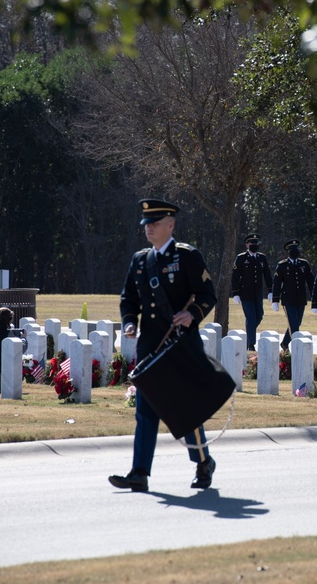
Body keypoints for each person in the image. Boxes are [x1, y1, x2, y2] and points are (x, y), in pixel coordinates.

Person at [109, 198, 219, 493]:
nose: (149, 229)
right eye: (147, 224)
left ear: (171, 225)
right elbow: (128, 298)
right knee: (145, 410)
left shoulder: (188, 257)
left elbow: (208, 295)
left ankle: (203, 462)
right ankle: (139, 472)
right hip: (150, 348)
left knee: (186, 410)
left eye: (155, 224)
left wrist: (191, 314)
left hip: (180, 346)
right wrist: (130, 321)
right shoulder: (140, 260)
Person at [231, 233, 272, 351]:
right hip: (245, 294)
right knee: (251, 318)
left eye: (256, 243)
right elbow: (235, 276)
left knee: (259, 316)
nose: (254, 245)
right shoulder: (241, 258)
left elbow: (267, 275)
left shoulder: (262, 258)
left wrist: (270, 290)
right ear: (247, 244)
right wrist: (235, 293)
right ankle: (251, 345)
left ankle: (248, 337)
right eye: (251, 243)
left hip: (258, 293)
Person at [271, 239, 314, 351]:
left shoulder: (304, 264)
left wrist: (314, 297)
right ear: (288, 251)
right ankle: (296, 348)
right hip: (288, 299)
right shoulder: (282, 265)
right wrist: (275, 300)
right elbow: (277, 283)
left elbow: (310, 281)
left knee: (297, 323)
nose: (295, 252)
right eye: (292, 250)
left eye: (296, 249)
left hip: (300, 298)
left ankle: (285, 343)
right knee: (294, 324)